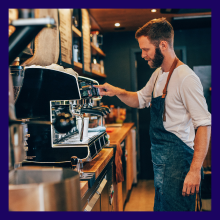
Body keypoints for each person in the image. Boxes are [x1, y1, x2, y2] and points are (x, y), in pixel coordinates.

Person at [94, 17, 211, 211]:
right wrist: (116, 91)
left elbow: (204, 124)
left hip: (179, 164)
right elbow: (140, 99)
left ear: (163, 45)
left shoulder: (186, 78)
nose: (142, 55)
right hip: (163, 164)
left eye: (146, 49)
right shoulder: (158, 74)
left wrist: (194, 170)